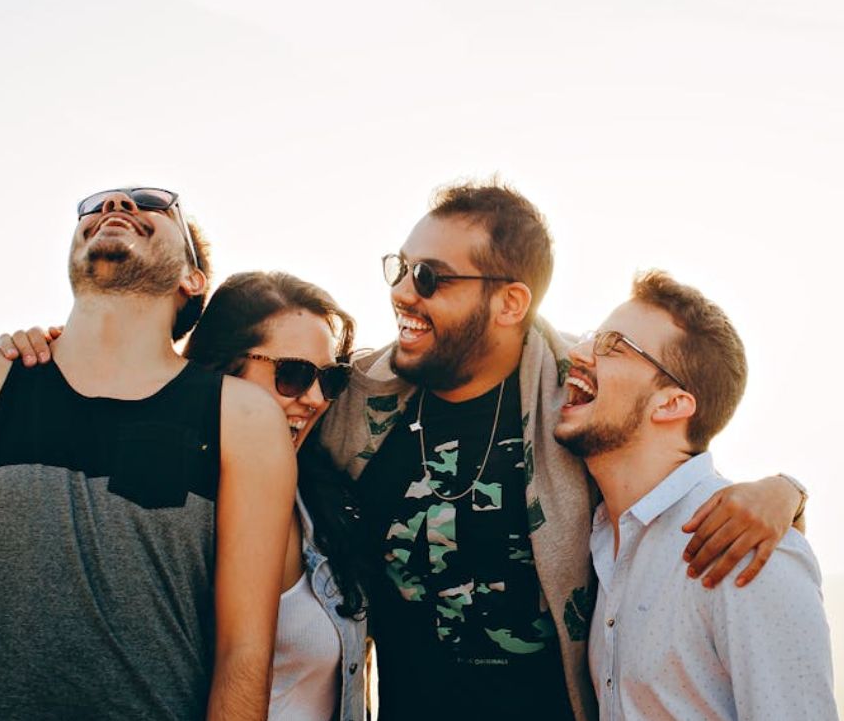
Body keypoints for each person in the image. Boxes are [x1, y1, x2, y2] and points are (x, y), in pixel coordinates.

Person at [318, 181, 808, 721]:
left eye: (431, 277)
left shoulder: (576, 402)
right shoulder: (351, 406)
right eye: (401, 268)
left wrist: (784, 493)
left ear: (511, 302)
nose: (404, 293)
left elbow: (667, 463)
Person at [0, 188, 297, 721]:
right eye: (97, 206)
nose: (118, 203)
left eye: (152, 205)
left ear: (192, 280)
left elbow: (243, 652)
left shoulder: (241, 419)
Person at [554, 270, 837, 720]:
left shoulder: (749, 549)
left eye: (611, 345)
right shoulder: (604, 536)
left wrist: (791, 491)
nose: (578, 353)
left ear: (671, 404)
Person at [182, 271, 369, 721]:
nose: (316, 398)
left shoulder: (321, 503)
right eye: (293, 374)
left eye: (330, 379)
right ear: (222, 369)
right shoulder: (169, 507)